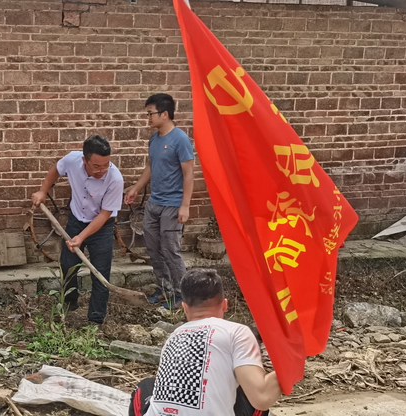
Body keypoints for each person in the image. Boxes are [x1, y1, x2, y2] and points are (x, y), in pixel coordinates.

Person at [129, 269, 282, 416]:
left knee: (146, 385)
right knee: (247, 387)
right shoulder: (236, 332)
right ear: (225, 305)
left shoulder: (173, 336)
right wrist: (290, 363)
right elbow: (261, 398)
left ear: (185, 308)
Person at [31, 135, 124, 324]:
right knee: (67, 265)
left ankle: (96, 320)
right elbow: (55, 170)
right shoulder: (72, 160)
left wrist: (81, 237)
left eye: (106, 165)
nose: (102, 170)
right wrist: (42, 190)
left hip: (102, 227)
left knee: (100, 273)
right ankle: (69, 303)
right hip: (75, 221)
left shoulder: (115, 179)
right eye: (96, 166)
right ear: (84, 160)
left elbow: (104, 215)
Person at [124, 93, 195, 308]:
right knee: (153, 249)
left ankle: (183, 296)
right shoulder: (154, 139)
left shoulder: (180, 139)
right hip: (154, 203)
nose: (148, 118)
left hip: (172, 205)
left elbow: (189, 174)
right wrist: (136, 188)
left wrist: (185, 206)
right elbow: (151, 167)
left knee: (170, 251)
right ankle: (165, 289)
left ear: (164, 114)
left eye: (150, 113)